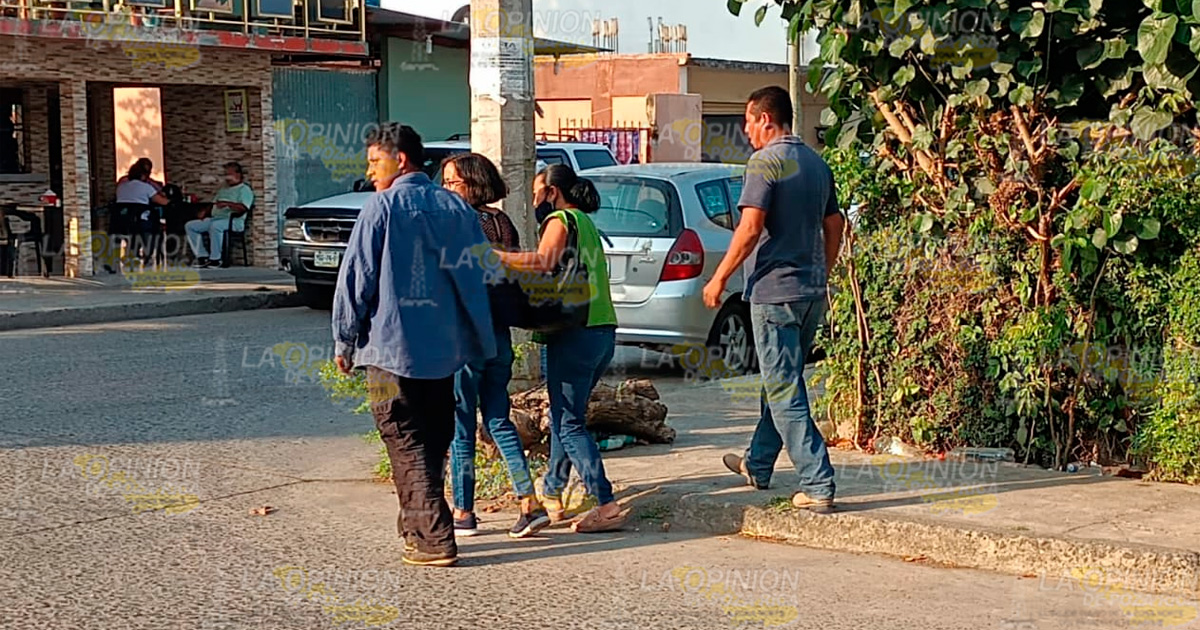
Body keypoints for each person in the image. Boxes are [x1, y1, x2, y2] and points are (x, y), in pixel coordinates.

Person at [333, 123, 496, 567]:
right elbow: (481, 276)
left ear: (399, 159)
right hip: (443, 354)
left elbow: (356, 280)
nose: (369, 172)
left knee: (405, 440)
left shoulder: (381, 208)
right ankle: (415, 526)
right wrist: (478, 338)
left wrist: (343, 339)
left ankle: (434, 538)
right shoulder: (458, 210)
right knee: (432, 440)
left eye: (373, 161)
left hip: (389, 352)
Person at [702, 86, 845, 512]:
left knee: (783, 389)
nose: (746, 130)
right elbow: (835, 223)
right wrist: (825, 269)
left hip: (773, 292)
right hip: (810, 293)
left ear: (767, 118)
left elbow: (749, 230)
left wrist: (718, 279)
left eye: (748, 121)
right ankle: (758, 464)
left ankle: (818, 482)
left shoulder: (765, 162)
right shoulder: (816, 164)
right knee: (780, 382)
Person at [496, 164, 629, 533]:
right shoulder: (585, 222)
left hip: (575, 332)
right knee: (563, 416)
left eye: (538, 192)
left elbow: (543, 262)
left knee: (569, 423)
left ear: (553, 192)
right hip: (601, 329)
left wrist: (495, 257)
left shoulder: (560, 219)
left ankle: (605, 503)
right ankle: (553, 491)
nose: (535, 199)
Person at [441, 153, 551, 539]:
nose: (446, 189)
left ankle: (464, 512)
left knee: (460, 427)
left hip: (465, 336)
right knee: (498, 419)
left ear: (471, 184)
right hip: (499, 336)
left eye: (452, 182)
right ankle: (528, 501)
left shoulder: (459, 221)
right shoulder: (501, 221)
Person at [184, 162, 254, 268]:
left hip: (234, 221)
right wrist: (205, 212)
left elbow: (243, 208)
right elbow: (214, 203)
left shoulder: (244, 190)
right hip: (216, 218)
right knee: (191, 226)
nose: (227, 177)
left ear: (238, 174)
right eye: (226, 174)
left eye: (229, 174)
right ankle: (202, 257)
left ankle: (216, 259)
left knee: (216, 226)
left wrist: (227, 204)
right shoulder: (223, 189)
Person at [113, 160, 171, 266]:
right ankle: (148, 256)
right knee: (153, 227)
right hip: (140, 221)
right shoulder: (145, 187)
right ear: (144, 175)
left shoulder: (121, 186)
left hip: (120, 221)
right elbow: (163, 202)